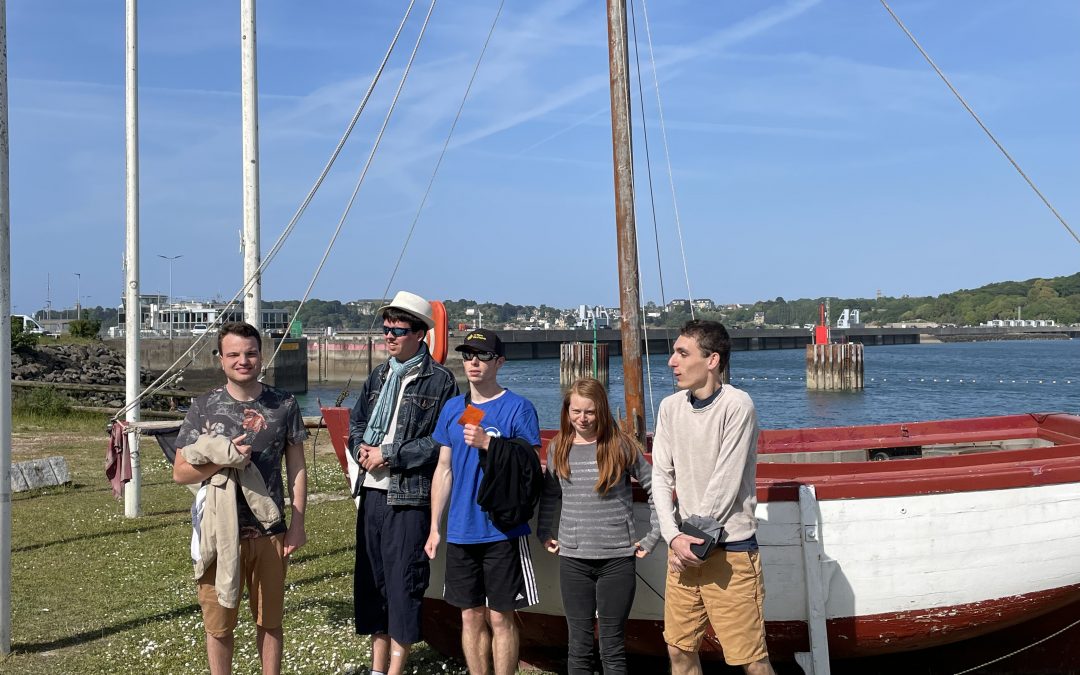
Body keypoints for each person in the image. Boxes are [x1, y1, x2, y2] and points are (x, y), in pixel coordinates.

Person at [173, 322, 308, 675]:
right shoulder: (203, 407)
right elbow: (180, 472)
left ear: (261, 356)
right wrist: (224, 457)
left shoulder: (284, 404)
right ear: (221, 359)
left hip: (270, 532)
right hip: (217, 534)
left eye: (250, 353)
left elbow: (296, 468)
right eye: (233, 354)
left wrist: (297, 525)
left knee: (270, 621)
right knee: (219, 625)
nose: (242, 360)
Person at [651, 320, 776, 675]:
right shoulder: (670, 408)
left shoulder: (737, 406)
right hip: (684, 550)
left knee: (750, 660)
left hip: (730, 555)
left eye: (682, 353)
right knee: (678, 650)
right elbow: (660, 475)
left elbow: (725, 484)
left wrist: (688, 540)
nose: (671, 362)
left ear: (711, 360)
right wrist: (673, 536)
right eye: (674, 352)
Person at [347, 291, 458, 675]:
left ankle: (396, 669)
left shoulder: (440, 381)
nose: (390, 337)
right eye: (386, 330)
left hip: (408, 497)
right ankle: (378, 668)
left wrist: (389, 454)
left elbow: (439, 442)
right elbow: (358, 420)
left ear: (420, 334)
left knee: (403, 582)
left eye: (399, 330)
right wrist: (359, 446)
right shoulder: (378, 375)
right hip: (373, 493)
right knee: (373, 582)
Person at [424, 328, 542, 675]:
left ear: (499, 362)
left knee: (500, 616)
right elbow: (443, 469)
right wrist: (434, 527)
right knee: (470, 614)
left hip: (502, 529)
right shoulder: (453, 409)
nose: (473, 362)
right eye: (467, 356)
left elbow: (531, 465)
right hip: (461, 531)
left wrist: (490, 445)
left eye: (483, 356)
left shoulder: (518, 407)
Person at [536, 377, 661, 675]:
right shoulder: (558, 448)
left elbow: (656, 485)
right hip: (573, 561)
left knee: (612, 647)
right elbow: (550, 493)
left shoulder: (619, 446)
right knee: (577, 646)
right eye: (575, 411)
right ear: (567, 411)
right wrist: (544, 531)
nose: (582, 418)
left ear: (601, 411)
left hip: (617, 561)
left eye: (589, 412)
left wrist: (653, 535)